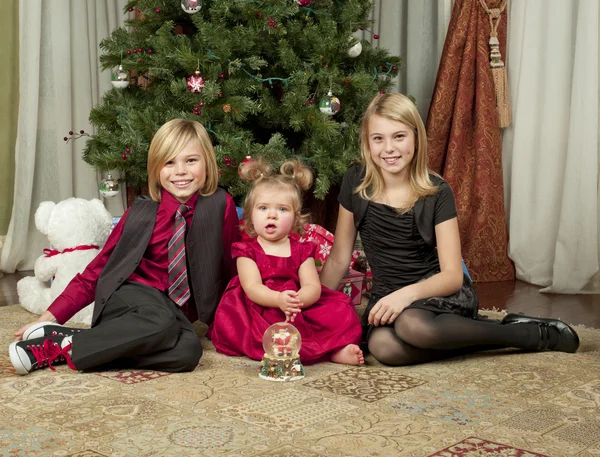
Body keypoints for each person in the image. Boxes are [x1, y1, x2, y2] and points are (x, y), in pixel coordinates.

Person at [320, 92, 580, 366]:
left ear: (416, 138)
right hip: (388, 296)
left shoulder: (437, 192)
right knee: (383, 348)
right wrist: (313, 309)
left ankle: (527, 333)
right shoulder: (355, 182)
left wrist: (406, 295)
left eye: (399, 136)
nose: (389, 149)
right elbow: (339, 257)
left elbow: (453, 276)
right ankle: (468, 340)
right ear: (367, 143)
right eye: (378, 138)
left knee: (412, 326)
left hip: (437, 293)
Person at [9, 118, 240, 375]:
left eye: (191, 161)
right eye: (169, 162)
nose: (181, 171)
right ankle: (52, 346)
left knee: (188, 352)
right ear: (156, 168)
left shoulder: (221, 205)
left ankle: (70, 344)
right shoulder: (141, 213)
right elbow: (96, 271)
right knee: (162, 322)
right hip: (127, 295)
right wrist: (50, 316)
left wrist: (227, 322)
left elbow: (230, 268)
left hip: (171, 311)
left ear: (207, 162)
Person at [207, 159, 364, 365]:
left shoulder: (302, 250)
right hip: (260, 305)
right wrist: (278, 300)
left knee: (342, 311)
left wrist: (297, 301)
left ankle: (334, 351)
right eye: (263, 208)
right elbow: (252, 287)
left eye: (282, 209)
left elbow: (312, 286)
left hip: (296, 304)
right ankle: (301, 351)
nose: (272, 214)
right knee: (256, 330)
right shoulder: (246, 251)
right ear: (250, 215)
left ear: (296, 218)